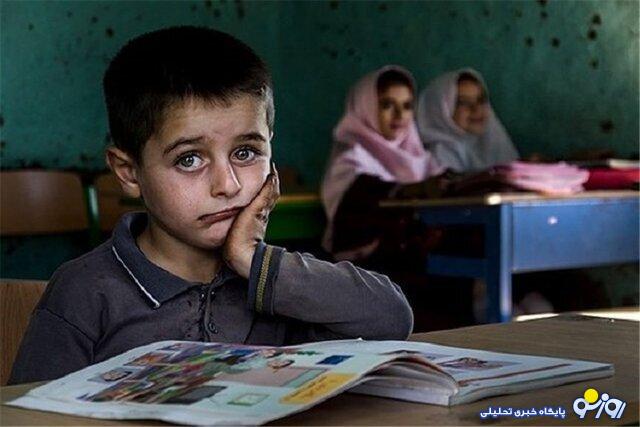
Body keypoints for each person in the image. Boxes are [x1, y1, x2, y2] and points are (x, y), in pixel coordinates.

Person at [9, 27, 413, 384]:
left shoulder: (278, 282)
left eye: (246, 152)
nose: (228, 185)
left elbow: (391, 318)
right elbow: (27, 412)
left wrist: (252, 260)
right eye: (189, 159)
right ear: (129, 172)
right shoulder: (85, 291)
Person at [321, 66, 444, 266]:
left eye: (407, 106)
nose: (399, 115)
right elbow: (358, 207)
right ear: (366, 107)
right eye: (387, 105)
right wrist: (415, 191)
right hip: (368, 268)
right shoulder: (351, 160)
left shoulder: (423, 160)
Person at [417, 68, 518, 173]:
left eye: (481, 100)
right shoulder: (439, 157)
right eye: (463, 103)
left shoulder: (494, 141)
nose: (476, 109)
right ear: (440, 111)